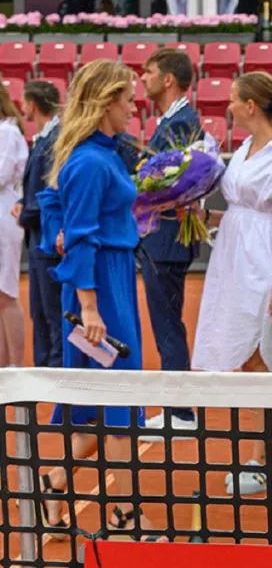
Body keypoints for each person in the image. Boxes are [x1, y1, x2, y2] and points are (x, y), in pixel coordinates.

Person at [40, 59, 164, 541]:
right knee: (119, 403)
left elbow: (57, 207)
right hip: (101, 290)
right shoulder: (92, 160)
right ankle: (123, 517)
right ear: (106, 101)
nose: (134, 107)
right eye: (128, 99)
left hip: (108, 280)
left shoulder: (102, 154)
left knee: (98, 409)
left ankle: (52, 489)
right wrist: (90, 307)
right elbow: (83, 236)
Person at [191, 71, 272, 495]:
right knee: (245, 360)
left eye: (232, 99)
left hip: (265, 262)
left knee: (258, 359)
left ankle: (267, 460)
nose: (227, 106)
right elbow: (244, 211)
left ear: (250, 106)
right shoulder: (243, 147)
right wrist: (205, 217)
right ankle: (263, 456)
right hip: (232, 259)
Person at [132, 48, 203, 440]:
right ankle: (177, 408)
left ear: (169, 79)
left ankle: (180, 412)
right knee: (166, 323)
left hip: (167, 239)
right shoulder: (175, 119)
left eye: (149, 72)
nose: (144, 78)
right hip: (164, 237)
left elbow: (166, 180)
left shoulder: (180, 121)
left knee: (168, 324)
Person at [11, 81, 62, 369]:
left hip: (47, 239)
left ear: (32, 105)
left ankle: (55, 379)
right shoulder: (46, 137)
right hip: (39, 237)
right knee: (42, 315)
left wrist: (25, 214)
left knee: (51, 314)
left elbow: (49, 192)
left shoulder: (53, 139)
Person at [0, 81, 28, 368]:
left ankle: (16, 366)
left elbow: (1, 173)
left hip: (4, 215)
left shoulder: (6, 131)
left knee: (6, 291)